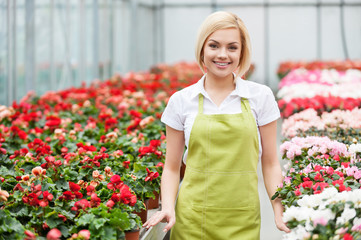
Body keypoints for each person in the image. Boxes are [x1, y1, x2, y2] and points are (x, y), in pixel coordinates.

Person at [143, 11, 290, 239]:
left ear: (242, 53)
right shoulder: (182, 100)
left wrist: (278, 210)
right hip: (192, 220)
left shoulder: (260, 97)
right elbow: (172, 167)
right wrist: (168, 207)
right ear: (202, 48)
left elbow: (270, 163)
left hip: (243, 220)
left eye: (232, 47)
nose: (223, 55)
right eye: (214, 45)